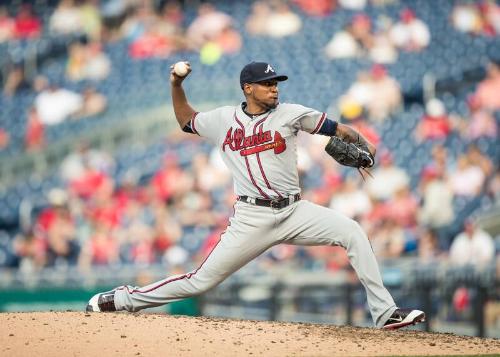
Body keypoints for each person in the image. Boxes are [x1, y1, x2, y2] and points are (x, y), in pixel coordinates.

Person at [87, 61, 425, 330]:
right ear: (248, 88)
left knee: (352, 231)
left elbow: (336, 129)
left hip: (295, 211)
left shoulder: (290, 113)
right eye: (267, 83)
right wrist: (176, 85)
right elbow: (185, 120)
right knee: (200, 282)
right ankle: (120, 299)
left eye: (276, 82)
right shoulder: (223, 120)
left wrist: (364, 143)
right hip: (252, 218)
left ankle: (386, 313)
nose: (274, 88)